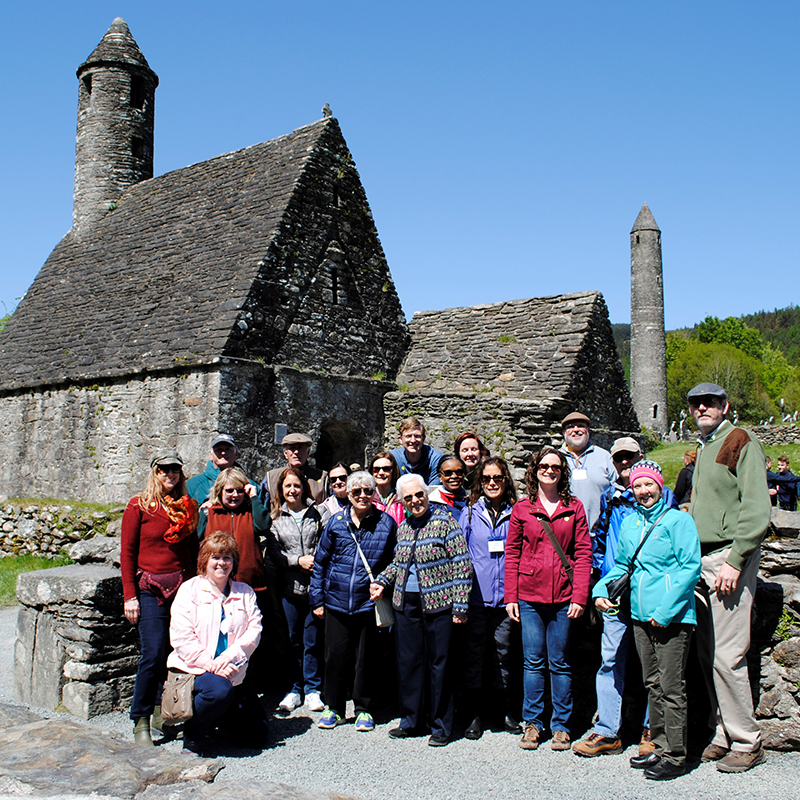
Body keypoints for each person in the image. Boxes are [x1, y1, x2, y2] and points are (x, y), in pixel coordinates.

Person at [594, 461, 701, 781]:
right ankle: (659, 743)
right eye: (638, 486)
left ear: (660, 485)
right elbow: (622, 566)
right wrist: (600, 590)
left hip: (671, 617)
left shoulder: (679, 521)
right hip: (641, 615)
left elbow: (690, 568)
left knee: (671, 685)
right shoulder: (630, 524)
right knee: (652, 683)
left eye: (648, 485)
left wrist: (666, 611)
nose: (643, 491)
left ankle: (676, 754)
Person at [573, 437, 677, 759]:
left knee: (653, 663)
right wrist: (600, 582)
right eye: (619, 459)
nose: (624, 464)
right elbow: (599, 541)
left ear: (640, 457)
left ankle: (652, 729)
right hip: (617, 591)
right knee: (610, 660)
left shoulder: (662, 496)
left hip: (650, 590)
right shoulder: (611, 499)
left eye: (630, 458)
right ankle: (608, 731)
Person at [688, 382, 771, 773]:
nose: (702, 407)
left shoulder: (740, 440)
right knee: (707, 652)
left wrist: (737, 559)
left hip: (727, 558)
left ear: (724, 405)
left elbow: (756, 508)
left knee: (728, 653)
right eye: (695, 403)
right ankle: (721, 731)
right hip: (702, 559)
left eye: (710, 402)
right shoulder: (705, 447)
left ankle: (747, 740)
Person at [372, 473, 472, 746]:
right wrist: (382, 581)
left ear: (427, 495)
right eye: (409, 497)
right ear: (402, 502)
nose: (415, 501)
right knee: (409, 663)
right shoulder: (404, 526)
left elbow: (462, 565)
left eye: (419, 495)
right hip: (407, 604)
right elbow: (398, 563)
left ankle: (440, 726)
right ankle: (411, 720)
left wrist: (460, 605)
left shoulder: (445, 522)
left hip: (440, 604)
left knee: (440, 664)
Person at [505, 446, 592, 752]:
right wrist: (511, 595)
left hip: (564, 597)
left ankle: (562, 725)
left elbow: (583, 554)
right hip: (529, 595)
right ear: (535, 469)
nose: (550, 470)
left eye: (555, 466)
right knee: (532, 662)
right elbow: (512, 553)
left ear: (562, 471)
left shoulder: (575, 508)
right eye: (544, 465)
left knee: (561, 662)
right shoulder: (523, 508)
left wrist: (580, 596)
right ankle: (532, 724)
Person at [121, 452, 199, 746]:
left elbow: (192, 552)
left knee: (173, 654)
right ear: (155, 472)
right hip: (149, 589)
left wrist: (192, 590)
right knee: (152, 652)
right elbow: (127, 553)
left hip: (180, 588)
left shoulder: (187, 508)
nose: (170, 474)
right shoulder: (138, 506)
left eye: (175, 470)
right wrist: (130, 596)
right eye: (164, 470)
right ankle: (140, 718)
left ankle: (160, 710)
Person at [309, 471, 397, 731]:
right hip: (336, 601)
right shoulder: (336, 523)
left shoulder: (386, 523)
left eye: (367, 491)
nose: (362, 496)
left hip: (367, 603)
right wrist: (317, 599)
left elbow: (394, 561)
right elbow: (321, 563)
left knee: (366, 658)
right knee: (335, 657)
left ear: (374, 494)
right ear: (348, 494)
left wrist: (383, 582)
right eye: (356, 491)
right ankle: (334, 707)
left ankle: (363, 708)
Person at [167, 531, 268, 755]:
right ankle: (193, 736)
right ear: (204, 561)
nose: (221, 563)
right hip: (195, 669)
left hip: (232, 669)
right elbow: (181, 637)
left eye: (227, 557)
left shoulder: (245, 593)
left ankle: (215, 718)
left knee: (258, 736)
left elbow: (254, 631)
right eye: (215, 557)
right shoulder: (190, 590)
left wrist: (226, 659)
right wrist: (211, 664)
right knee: (219, 691)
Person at [458, 456, 520, 740]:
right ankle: (473, 714)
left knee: (504, 656)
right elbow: (460, 556)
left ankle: (504, 710)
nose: (492, 483)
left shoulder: (517, 513)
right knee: (473, 657)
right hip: (476, 599)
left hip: (506, 600)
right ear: (479, 483)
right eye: (486, 479)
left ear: (505, 480)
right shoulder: (470, 513)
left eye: (497, 478)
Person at [266, 467, 326, 714]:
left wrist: (313, 559)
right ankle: (293, 688)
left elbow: (325, 544)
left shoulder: (317, 514)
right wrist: (297, 561)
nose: (292, 490)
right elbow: (274, 554)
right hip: (289, 589)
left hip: (314, 589)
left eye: (296, 486)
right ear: (281, 490)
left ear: (304, 488)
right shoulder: (276, 519)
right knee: (291, 640)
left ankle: (312, 689)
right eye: (287, 486)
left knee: (312, 640)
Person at [205, 466, 271, 685]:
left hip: (250, 584)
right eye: (229, 491)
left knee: (250, 637)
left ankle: (250, 685)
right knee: (221, 636)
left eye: (239, 491)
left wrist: (255, 498)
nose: (234, 495)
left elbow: (264, 526)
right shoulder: (210, 513)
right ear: (220, 491)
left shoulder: (250, 511)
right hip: (217, 588)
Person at [559, 411, 616, 533]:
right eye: (570, 427)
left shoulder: (605, 457)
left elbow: (618, 490)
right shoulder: (555, 459)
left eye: (580, 426)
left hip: (598, 535)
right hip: (563, 534)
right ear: (564, 433)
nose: (576, 430)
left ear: (588, 431)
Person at [186, 434, 241, 538]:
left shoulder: (249, 485)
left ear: (236, 453)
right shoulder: (193, 485)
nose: (223, 453)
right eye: (218, 449)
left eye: (228, 449)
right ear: (211, 455)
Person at [264, 432, 329, 504]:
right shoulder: (271, 478)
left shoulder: (323, 478)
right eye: (292, 448)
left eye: (301, 448)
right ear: (285, 453)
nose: (296, 452)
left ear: (308, 452)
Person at [390, 417, 445, 486]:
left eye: (417, 436)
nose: (413, 440)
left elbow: (434, 490)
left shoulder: (436, 459)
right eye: (408, 436)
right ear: (400, 439)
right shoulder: (393, 458)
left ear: (423, 438)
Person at [370, 451, 405, 526]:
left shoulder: (403, 499)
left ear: (393, 472)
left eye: (386, 469)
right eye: (376, 469)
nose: (381, 473)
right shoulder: (367, 498)